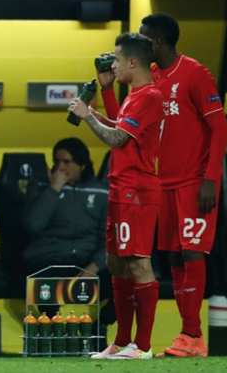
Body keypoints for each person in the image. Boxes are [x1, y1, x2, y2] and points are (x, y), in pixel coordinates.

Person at [137, 12, 227, 357]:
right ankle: (190, 336)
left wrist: (211, 179)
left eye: (144, 38)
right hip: (165, 184)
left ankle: (193, 335)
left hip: (195, 182)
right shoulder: (153, 78)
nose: (141, 42)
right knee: (174, 256)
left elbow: (220, 129)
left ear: (157, 42)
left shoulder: (195, 73)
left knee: (192, 252)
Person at [68, 32, 163, 359]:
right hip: (121, 188)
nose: (113, 65)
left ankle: (144, 346)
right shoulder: (135, 96)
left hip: (137, 190)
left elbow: (116, 139)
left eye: (117, 60)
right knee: (116, 264)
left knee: (138, 263)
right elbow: (119, 126)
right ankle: (122, 341)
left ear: (133, 62)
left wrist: (86, 114)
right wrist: (106, 91)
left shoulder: (149, 96)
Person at [22, 137, 114, 349]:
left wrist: (95, 266)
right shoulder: (41, 185)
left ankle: (99, 326)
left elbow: (108, 237)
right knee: (43, 282)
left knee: (129, 283)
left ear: (82, 165)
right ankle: (56, 330)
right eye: (57, 162)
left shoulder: (101, 191)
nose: (60, 167)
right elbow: (34, 224)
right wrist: (54, 189)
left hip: (87, 260)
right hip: (48, 257)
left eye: (67, 162)